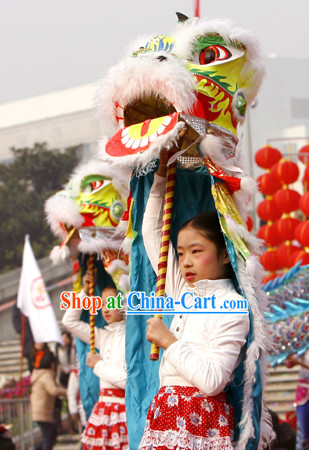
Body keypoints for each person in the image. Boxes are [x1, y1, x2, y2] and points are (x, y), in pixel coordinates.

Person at [138, 149, 250, 449]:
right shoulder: (183, 294)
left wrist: (169, 342)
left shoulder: (233, 309)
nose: (185, 262)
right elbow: (150, 231)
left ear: (225, 253)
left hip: (201, 420)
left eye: (196, 251)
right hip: (166, 411)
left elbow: (213, 381)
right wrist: (162, 173)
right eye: (180, 252)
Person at [62, 272, 128, 450]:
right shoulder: (103, 336)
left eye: (112, 303)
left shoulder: (132, 338)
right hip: (102, 410)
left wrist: (98, 365)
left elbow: (129, 382)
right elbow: (69, 321)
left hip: (124, 414)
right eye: (103, 304)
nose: (105, 309)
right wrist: (84, 290)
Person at [30, 352, 67, 450]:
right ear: (51, 364)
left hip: (41, 410)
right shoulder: (46, 375)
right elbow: (53, 390)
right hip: (43, 411)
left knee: (50, 435)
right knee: (49, 437)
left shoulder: (44, 374)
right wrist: (68, 392)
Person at [285, 350, 309, 449]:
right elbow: (289, 363)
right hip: (304, 396)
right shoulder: (304, 344)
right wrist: (291, 359)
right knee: (304, 432)